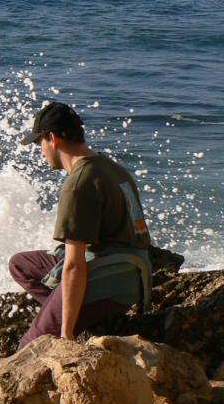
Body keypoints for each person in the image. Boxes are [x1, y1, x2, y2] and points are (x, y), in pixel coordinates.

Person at [10, 101, 152, 350]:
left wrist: (66, 332)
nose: (40, 151)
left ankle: (66, 320)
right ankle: (74, 314)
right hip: (135, 275)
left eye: (38, 143)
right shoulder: (111, 168)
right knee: (20, 265)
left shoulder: (78, 184)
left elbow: (75, 266)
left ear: (53, 139)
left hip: (110, 281)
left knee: (30, 347)